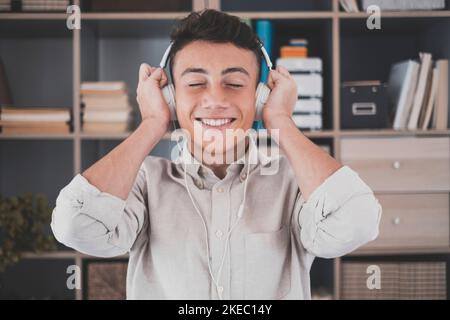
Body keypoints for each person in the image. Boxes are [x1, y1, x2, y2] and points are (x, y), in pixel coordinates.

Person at [51, 9, 382, 300]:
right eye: (195, 83)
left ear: (261, 97)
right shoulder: (144, 182)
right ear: (169, 97)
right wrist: (152, 123)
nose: (215, 100)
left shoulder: (293, 182)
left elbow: (358, 223)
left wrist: (280, 120)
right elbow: (74, 226)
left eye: (235, 84)